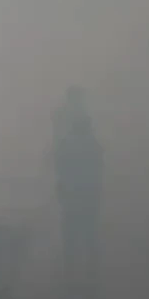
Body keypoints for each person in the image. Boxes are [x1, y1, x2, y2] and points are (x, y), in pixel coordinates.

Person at [53, 88, 103, 278]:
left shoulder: (66, 143)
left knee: (72, 235)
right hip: (88, 196)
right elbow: (99, 170)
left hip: (73, 197)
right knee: (89, 233)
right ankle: (90, 271)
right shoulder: (93, 144)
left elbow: (60, 169)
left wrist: (62, 190)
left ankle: (72, 270)